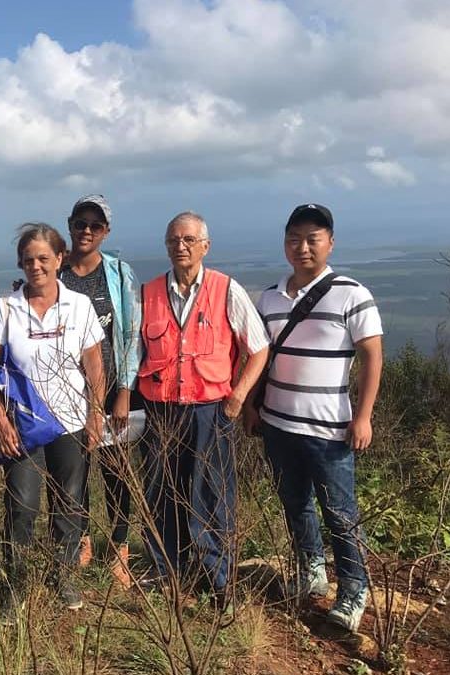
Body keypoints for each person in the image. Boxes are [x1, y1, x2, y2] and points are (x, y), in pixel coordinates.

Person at [244, 204, 382, 633]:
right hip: (278, 423)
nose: (302, 247)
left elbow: (373, 355)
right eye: (294, 239)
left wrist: (364, 416)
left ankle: (354, 589)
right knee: (296, 503)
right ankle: (312, 570)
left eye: (312, 238)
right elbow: (258, 357)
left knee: (340, 512)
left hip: (330, 428)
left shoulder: (351, 293)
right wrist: (252, 407)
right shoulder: (268, 298)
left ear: (330, 243)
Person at [136, 211, 268, 607]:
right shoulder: (149, 293)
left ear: (205, 246)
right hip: (161, 411)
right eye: (174, 239)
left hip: (212, 411)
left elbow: (258, 348)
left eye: (189, 239)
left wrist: (238, 398)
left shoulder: (226, 289)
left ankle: (218, 578)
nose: (181, 246)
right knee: (162, 491)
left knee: (212, 492)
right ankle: (167, 574)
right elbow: (134, 352)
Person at [0, 223, 106, 614]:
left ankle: (63, 575)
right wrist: (0, 421)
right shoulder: (6, 308)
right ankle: (15, 582)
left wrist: (95, 414)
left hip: (70, 421)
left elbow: (94, 365)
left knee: (69, 502)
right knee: (21, 504)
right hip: (22, 426)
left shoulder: (79, 305)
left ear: (60, 259)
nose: (35, 266)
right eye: (27, 260)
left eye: (43, 258)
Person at [58, 194, 141, 587]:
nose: (86, 230)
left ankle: (121, 546)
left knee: (117, 472)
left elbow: (130, 334)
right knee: (75, 470)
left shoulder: (119, 274)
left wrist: (124, 388)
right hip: (66, 391)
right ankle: (83, 538)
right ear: (70, 225)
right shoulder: (57, 272)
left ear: (106, 231)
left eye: (95, 225)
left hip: (110, 391)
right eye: (80, 223)